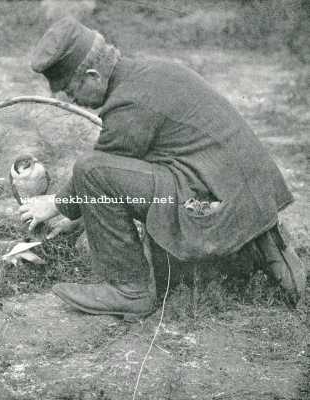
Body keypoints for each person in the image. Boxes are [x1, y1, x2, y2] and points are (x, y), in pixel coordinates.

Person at [19, 17, 307, 320]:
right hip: (241, 198)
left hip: (215, 205)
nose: (72, 100)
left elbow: (94, 177)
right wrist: (77, 215)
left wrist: (54, 204)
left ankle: (129, 291)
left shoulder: (128, 103)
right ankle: (251, 253)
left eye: (71, 90)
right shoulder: (152, 72)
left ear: (92, 75)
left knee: (90, 169)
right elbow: (119, 181)